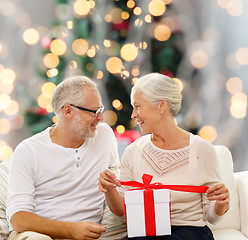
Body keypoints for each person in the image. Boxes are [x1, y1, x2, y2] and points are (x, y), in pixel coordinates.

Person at [99, 73, 230, 240]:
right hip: (146, 231)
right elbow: (121, 212)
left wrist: (220, 204)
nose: (133, 115)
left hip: (190, 232)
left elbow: (212, 216)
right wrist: (109, 189)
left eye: (138, 106)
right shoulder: (133, 151)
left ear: (161, 106)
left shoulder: (202, 150)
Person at [7, 76, 120, 240]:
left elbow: (118, 193)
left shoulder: (104, 136)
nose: (101, 118)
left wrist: (110, 186)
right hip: (38, 235)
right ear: (68, 111)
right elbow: (18, 218)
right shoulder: (29, 150)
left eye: (100, 109)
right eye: (94, 112)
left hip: (87, 235)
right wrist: (71, 230)